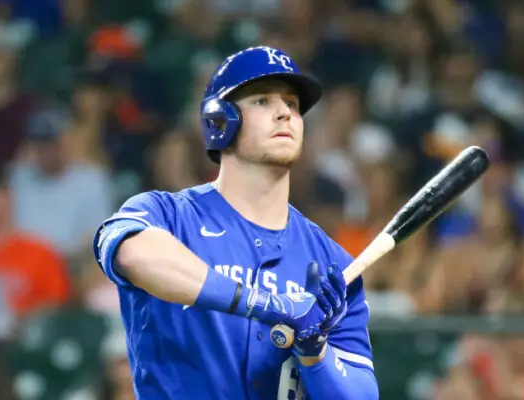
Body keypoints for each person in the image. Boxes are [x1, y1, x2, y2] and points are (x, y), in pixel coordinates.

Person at [92, 46, 379, 399]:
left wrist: (316, 351)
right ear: (219, 121)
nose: (284, 114)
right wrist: (268, 304)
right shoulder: (166, 214)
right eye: (262, 101)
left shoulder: (331, 262)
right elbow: (134, 256)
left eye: (291, 104)